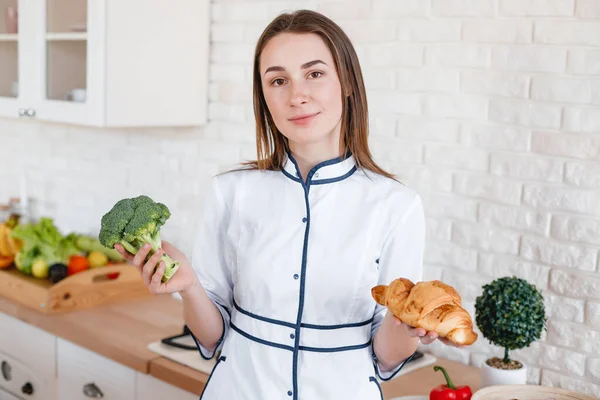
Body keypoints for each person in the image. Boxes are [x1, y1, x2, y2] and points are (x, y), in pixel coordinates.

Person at [115, 9, 461, 400]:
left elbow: (384, 359)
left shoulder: (396, 206)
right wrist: (190, 286)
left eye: (314, 74)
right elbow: (214, 338)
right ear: (264, 96)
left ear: (346, 81)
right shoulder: (230, 192)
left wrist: (407, 326)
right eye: (278, 80)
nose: (297, 95)